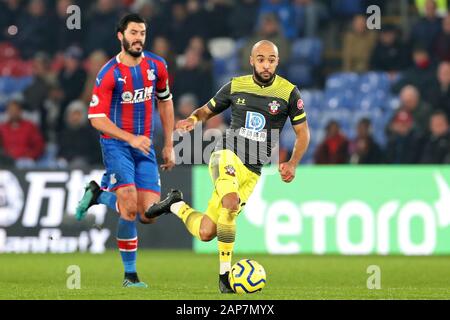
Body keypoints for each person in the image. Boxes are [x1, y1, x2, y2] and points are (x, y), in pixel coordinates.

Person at [145, 40, 310, 293]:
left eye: (272, 60)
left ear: (277, 61)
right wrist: (192, 119)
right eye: (261, 59)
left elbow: (303, 134)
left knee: (206, 232)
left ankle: (174, 204)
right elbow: (206, 111)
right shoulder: (236, 86)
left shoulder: (288, 93)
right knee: (229, 203)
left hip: (253, 171)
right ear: (252, 60)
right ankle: (224, 278)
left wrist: (293, 163)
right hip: (227, 156)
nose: (266, 65)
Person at [75, 14, 175, 288]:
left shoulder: (157, 66)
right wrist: (130, 138)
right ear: (121, 36)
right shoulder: (109, 73)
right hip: (116, 144)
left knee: (147, 215)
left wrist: (168, 143)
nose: (138, 38)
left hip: (144, 147)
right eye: (133, 32)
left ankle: (98, 195)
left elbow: (165, 102)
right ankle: (130, 276)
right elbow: (96, 118)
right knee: (129, 208)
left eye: (142, 33)